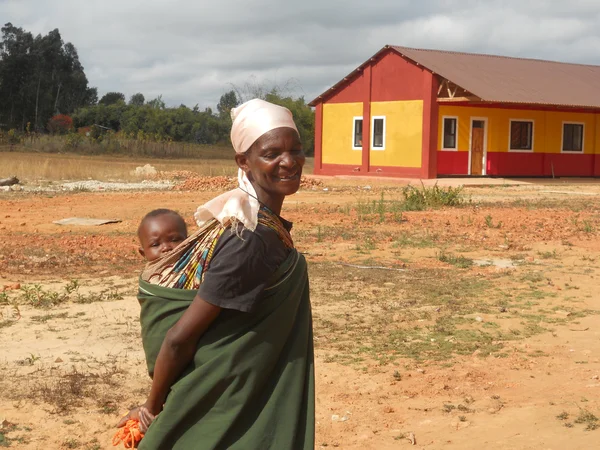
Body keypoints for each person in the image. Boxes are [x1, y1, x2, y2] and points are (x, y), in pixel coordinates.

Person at [117, 99, 315, 450]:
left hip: (239, 393)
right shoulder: (249, 240)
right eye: (272, 153)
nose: (289, 161)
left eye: (296, 150)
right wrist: (152, 408)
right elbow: (180, 337)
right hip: (228, 401)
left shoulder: (260, 225)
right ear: (244, 162)